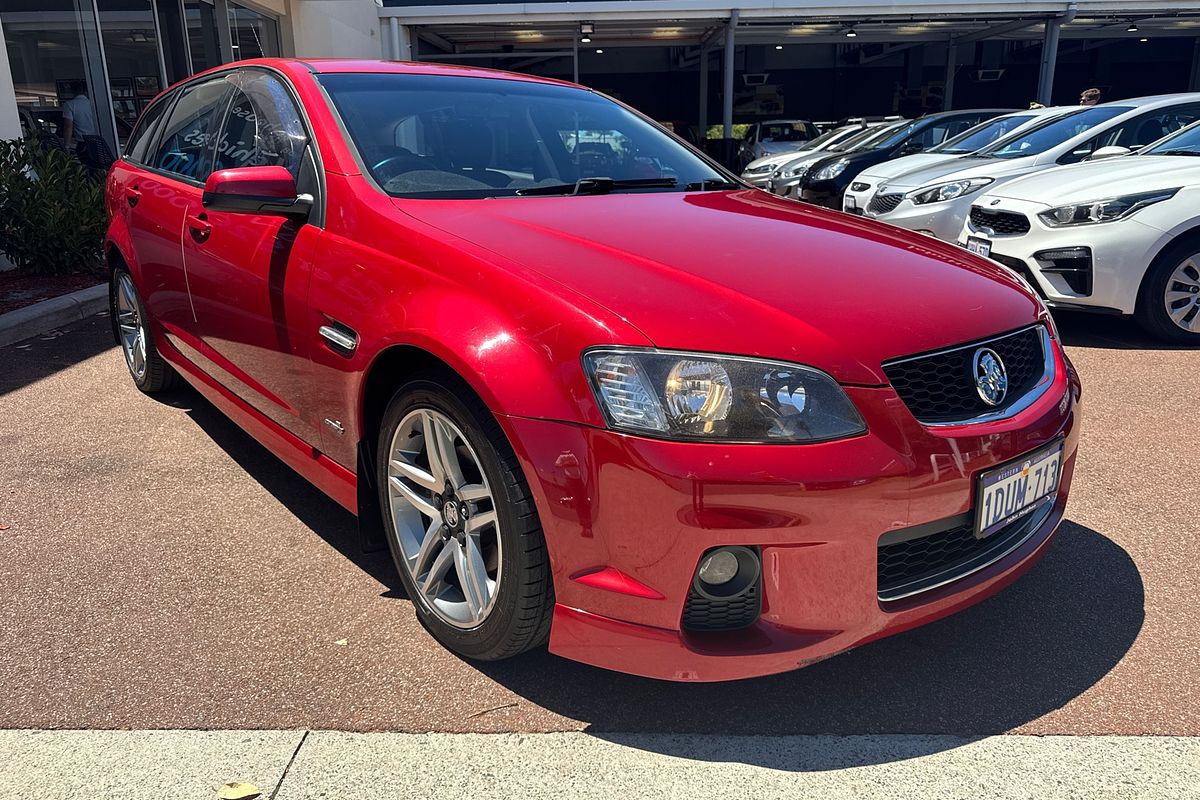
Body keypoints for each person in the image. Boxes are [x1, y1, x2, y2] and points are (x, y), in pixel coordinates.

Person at [61, 80, 98, 151]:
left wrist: (67, 146)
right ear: (86, 91)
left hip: (82, 142)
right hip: (97, 142)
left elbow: (68, 127)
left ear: (72, 91)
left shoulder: (69, 105)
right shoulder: (93, 104)